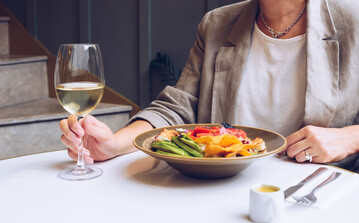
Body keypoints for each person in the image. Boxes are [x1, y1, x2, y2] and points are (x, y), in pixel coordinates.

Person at [59, 0, 359, 171]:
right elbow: (177, 107)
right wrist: (114, 144)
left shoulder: (353, 20)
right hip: (219, 190)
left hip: (320, 192)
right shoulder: (216, 24)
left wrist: (351, 136)